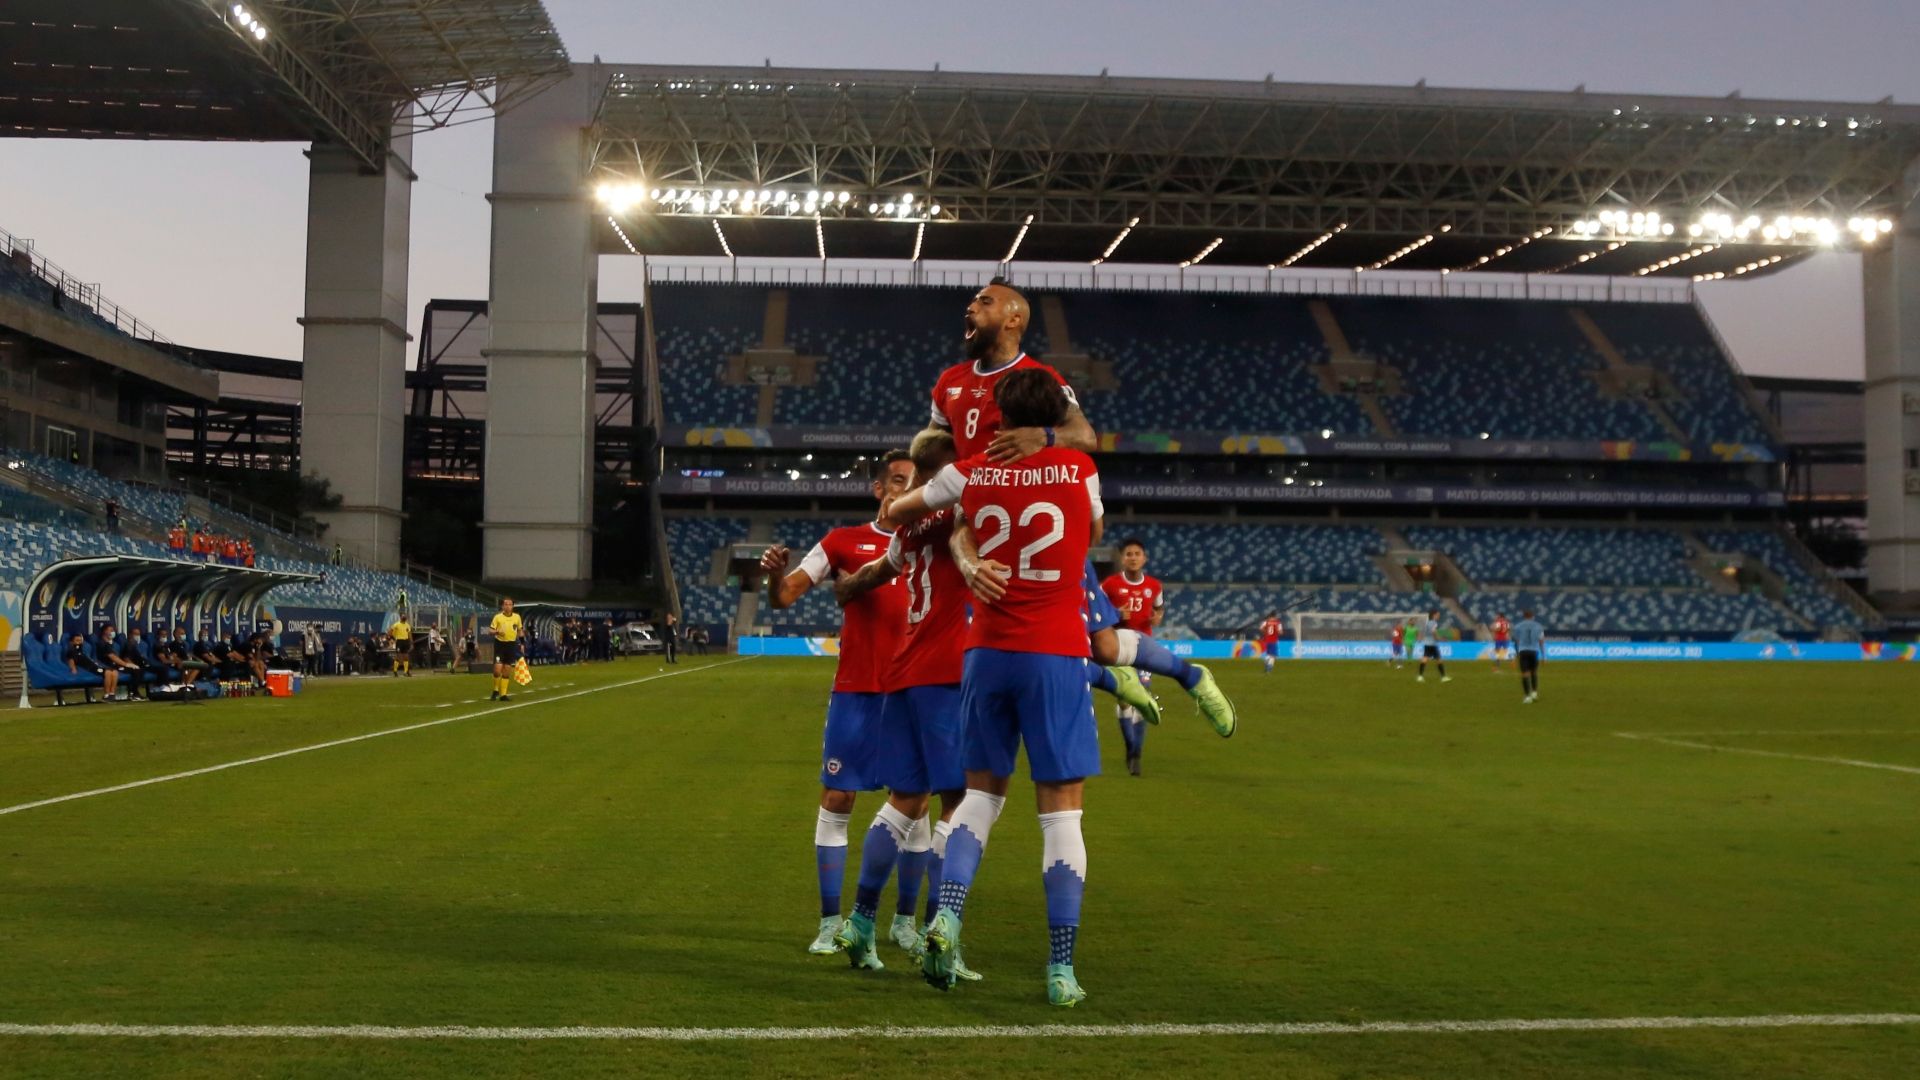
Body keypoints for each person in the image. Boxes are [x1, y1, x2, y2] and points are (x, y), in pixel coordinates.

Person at [904, 280, 1228, 736]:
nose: (971, 306)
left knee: (1104, 645)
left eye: (984, 301)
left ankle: (1188, 675)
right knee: (991, 646)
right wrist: (919, 486)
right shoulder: (949, 383)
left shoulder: (1039, 380)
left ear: (1015, 318)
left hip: (1033, 521)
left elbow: (1086, 436)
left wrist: (1045, 436)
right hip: (978, 518)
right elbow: (934, 447)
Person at [914, 369, 1101, 1007]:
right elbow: (1091, 537)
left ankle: (948, 916)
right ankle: (1060, 969)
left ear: (997, 414)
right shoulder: (1077, 469)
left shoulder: (975, 473)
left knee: (978, 799)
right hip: (1053, 651)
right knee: (1061, 812)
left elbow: (947, 520)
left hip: (987, 651)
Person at [828, 428, 982, 978]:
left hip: (901, 674)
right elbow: (968, 544)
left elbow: (875, 574)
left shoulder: (908, 526)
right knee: (961, 804)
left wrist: (845, 588)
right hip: (945, 673)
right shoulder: (958, 512)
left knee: (904, 799)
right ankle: (945, 935)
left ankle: (861, 921)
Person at [758, 450, 914, 956]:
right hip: (857, 690)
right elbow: (786, 596)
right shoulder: (843, 541)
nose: (903, 488)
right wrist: (771, 576)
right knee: (837, 799)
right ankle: (830, 922)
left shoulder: (934, 541)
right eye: (895, 480)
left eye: (914, 481)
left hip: (916, 691)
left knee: (914, 807)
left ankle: (905, 922)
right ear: (877, 488)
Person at [1100, 538, 1163, 777]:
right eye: (1129, 554)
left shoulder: (1155, 586)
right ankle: (1129, 746)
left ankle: (1136, 753)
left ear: (1144, 558)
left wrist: (1157, 618)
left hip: (1144, 648)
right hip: (1118, 649)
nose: (1133, 557)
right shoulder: (1110, 585)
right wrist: (1116, 614)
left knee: (1142, 698)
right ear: (1122, 558)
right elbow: (1096, 610)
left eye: (1137, 553)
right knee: (1125, 700)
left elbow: (1159, 608)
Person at [488, 598, 523, 701]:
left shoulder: (517, 617)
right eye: (506, 604)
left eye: (510, 604)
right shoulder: (498, 617)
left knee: (507, 670)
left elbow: (520, 631)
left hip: (511, 645)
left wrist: (522, 643)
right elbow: (490, 630)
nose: (508, 606)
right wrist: (497, 632)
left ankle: (503, 695)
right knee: (497, 670)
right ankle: (495, 690)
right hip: (500, 645)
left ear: (513, 606)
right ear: (502, 606)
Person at [96, 625, 145, 700]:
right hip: (106, 665)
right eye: (110, 630)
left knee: (138, 670)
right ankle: (109, 694)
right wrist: (126, 664)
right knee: (112, 672)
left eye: (113, 630)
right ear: (105, 631)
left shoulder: (113, 644)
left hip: (115, 666)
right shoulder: (101, 643)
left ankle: (116, 694)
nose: (113, 632)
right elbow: (112, 657)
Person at [65, 633, 117, 699]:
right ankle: (107, 694)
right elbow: (71, 661)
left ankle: (112, 693)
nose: (79, 642)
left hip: (95, 665)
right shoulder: (71, 651)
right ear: (72, 642)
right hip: (90, 668)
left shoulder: (82, 651)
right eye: (77, 640)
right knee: (108, 673)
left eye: (80, 640)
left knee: (115, 672)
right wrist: (73, 668)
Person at [1512, 610, 1546, 703]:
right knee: (1534, 672)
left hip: (1523, 651)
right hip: (1534, 651)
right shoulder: (1539, 626)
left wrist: (1516, 654)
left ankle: (1527, 697)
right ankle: (1534, 693)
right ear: (1532, 617)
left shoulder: (1518, 626)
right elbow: (1541, 641)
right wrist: (1544, 656)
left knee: (1525, 674)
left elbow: (1516, 641)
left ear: (1524, 617)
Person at [1416, 609, 1451, 683]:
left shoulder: (1427, 623)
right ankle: (1443, 677)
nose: (1439, 616)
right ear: (1434, 615)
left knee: (1425, 658)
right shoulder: (1434, 623)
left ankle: (1420, 676)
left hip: (1427, 643)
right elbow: (1433, 632)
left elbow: (1423, 632)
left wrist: (1420, 638)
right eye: (1438, 614)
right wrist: (1438, 638)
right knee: (1439, 660)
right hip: (1433, 644)